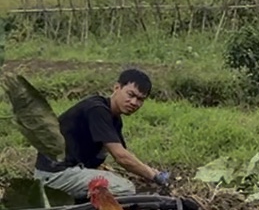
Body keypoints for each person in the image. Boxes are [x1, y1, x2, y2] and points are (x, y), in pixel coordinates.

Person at [32, 68, 170, 200]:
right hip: (54, 175)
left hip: (67, 172)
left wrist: (147, 171)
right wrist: (155, 176)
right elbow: (122, 158)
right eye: (131, 95)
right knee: (124, 188)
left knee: (114, 182)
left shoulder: (114, 118)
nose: (134, 102)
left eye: (140, 99)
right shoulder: (97, 110)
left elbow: (126, 156)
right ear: (117, 88)